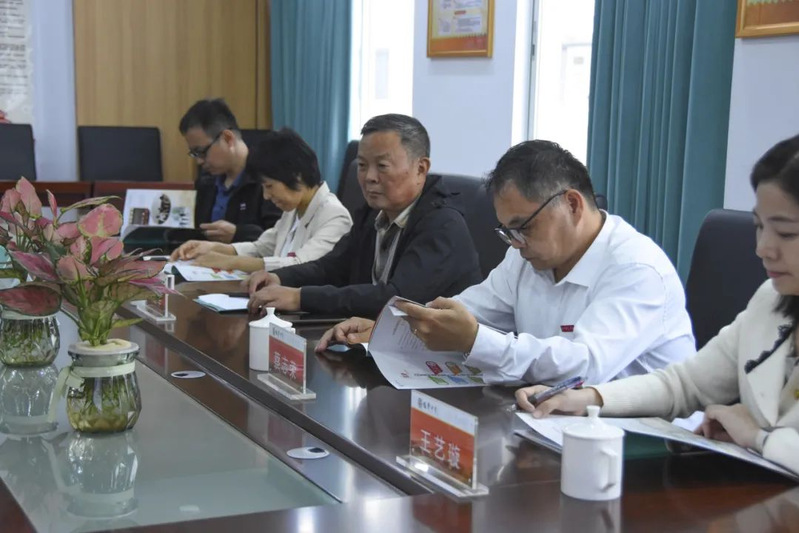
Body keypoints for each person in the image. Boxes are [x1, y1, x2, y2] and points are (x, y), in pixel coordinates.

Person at [514, 134, 799, 476]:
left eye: (786, 233)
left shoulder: (636, 264)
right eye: (759, 227)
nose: (763, 248)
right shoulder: (770, 300)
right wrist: (588, 398)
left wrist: (758, 438)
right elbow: (683, 385)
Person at [317, 140, 696, 386]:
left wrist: (475, 340)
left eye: (523, 228)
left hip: (647, 451)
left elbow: (585, 367)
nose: (515, 243)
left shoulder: (637, 270)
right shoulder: (527, 255)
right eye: (507, 231)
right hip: (551, 422)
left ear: (572, 205)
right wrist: (391, 328)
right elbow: (469, 310)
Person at [245, 113, 482, 318]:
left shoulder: (443, 225)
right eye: (362, 165)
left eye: (382, 166)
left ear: (420, 169)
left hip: (436, 351)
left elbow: (396, 299)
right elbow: (333, 267)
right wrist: (281, 278)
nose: (369, 177)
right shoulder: (373, 213)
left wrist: (300, 297)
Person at [170, 128, 352, 272]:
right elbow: (260, 248)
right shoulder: (294, 210)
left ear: (296, 175)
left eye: (269, 186)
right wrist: (212, 248)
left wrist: (231, 262)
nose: (266, 196)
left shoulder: (335, 216)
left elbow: (299, 265)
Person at [179, 98, 281, 243]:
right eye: (194, 154)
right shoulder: (206, 182)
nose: (199, 161)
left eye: (202, 152)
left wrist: (238, 234)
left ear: (227, 138)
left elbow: (282, 239)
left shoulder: (269, 177)